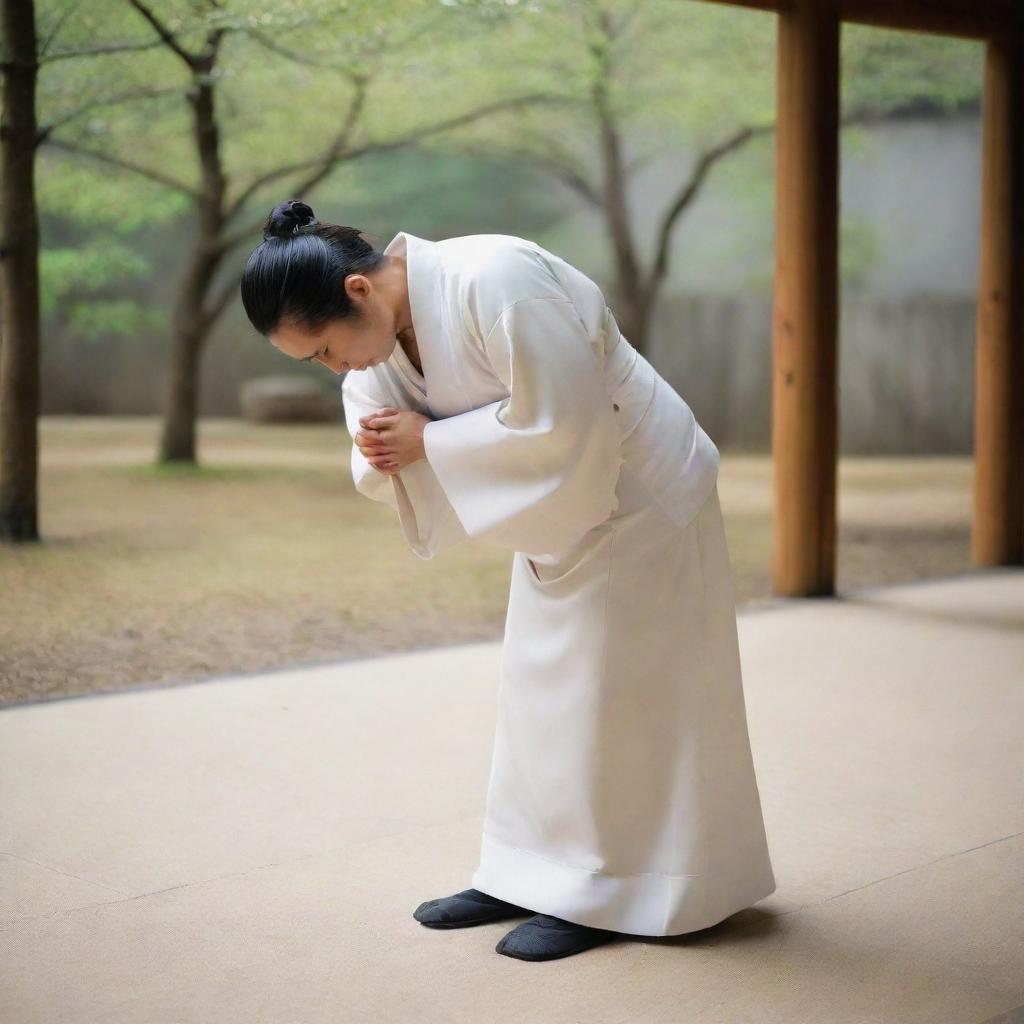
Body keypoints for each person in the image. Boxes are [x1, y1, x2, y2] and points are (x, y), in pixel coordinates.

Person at [240, 199, 776, 963]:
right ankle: (527, 874)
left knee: (621, 697)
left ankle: (614, 885)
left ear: (358, 292)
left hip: (638, 493)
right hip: (555, 514)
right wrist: (395, 444)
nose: (336, 370)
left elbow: (567, 424)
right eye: (317, 363)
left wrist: (430, 439)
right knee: (542, 695)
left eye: (324, 350)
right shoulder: (380, 334)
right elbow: (377, 427)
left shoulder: (496, 277)